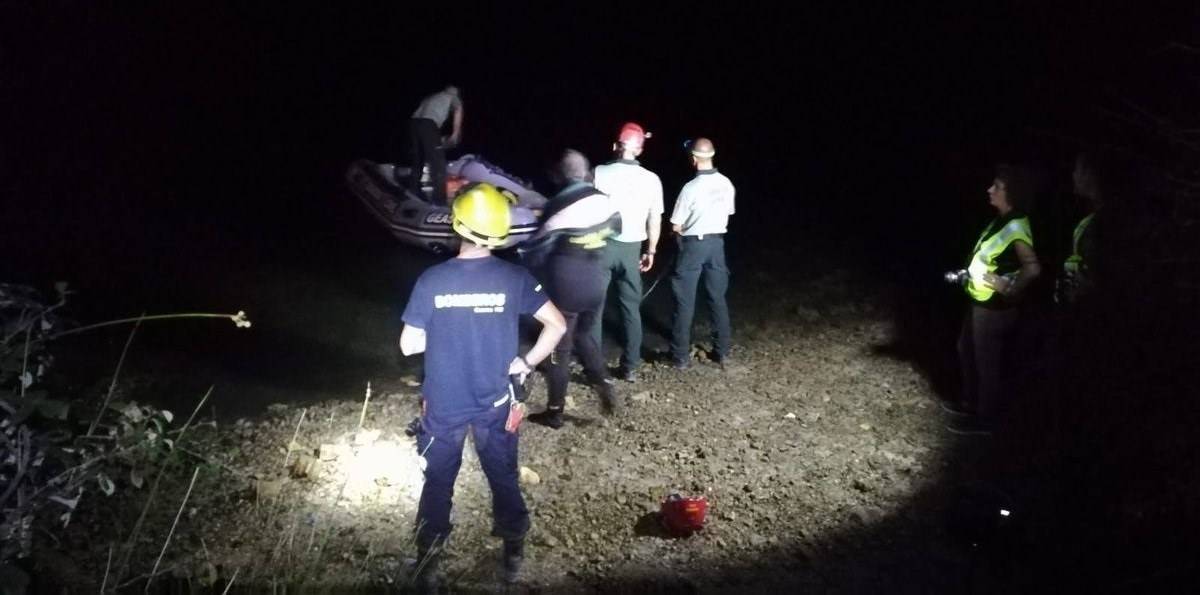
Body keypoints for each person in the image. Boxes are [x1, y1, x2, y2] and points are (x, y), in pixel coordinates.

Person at [398, 182, 567, 588]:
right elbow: (557, 325)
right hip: (496, 401)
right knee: (503, 475)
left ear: (457, 225)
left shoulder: (432, 279)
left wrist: (446, 330)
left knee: (438, 481)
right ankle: (512, 550)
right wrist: (526, 362)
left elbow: (409, 345)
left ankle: (429, 562)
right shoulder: (515, 277)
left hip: (443, 404)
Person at [521, 149, 623, 428]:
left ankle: (554, 411)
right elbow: (617, 228)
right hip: (596, 280)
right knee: (585, 334)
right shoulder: (604, 200)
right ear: (586, 171)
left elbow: (536, 248)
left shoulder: (558, 204)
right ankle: (604, 383)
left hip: (567, 284)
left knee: (558, 348)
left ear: (561, 175)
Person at [944, 165, 1042, 436]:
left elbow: (1033, 267)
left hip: (994, 308)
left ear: (1012, 193)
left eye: (997, 186)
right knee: (966, 349)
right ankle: (971, 405)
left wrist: (1009, 287)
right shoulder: (1001, 219)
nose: (990, 189)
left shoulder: (1016, 224)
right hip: (980, 301)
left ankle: (986, 420)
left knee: (987, 362)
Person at [591, 122, 664, 382]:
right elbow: (655, 219)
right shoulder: (652, 179)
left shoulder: (598, 172)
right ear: (640, 150)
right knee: (630, 308)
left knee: (595, 308)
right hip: (632, 249)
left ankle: (596, 369)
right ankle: (630, 366)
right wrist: (651, 250)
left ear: (615, 146)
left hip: (601, 247)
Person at [668, 137, 736, 370]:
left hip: (693, 247)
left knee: (685, 301)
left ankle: (680, 357)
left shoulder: (691, 188)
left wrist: (679, 230)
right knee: (717, 298)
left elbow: (676, 224)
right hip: (717, 245)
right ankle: (723, 352)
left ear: (694, 159)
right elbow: (728, 212)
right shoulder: (726, 183)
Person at [407, 85, 464, 205]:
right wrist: (455, 133)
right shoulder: (452, 96)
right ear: (454, 92)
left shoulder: (432, 97)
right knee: (438, 165)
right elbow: (458, 110)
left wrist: (436, 140)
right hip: (429, 124)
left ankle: (413, 191)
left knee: (418, 160)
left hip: (413, 124)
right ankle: (439, 201)